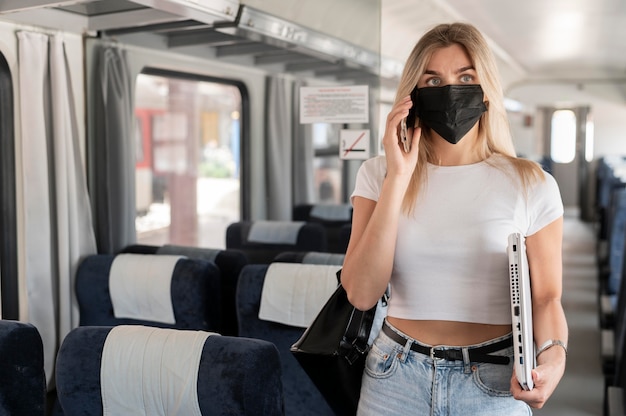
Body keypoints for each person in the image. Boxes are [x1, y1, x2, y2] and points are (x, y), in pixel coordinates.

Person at [341, 22, 567, 415]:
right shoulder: (377, 174)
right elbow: (361, 293)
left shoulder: (531, 183)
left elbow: (546, 297)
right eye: (433, 80)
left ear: (485, 90)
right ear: (413, 95)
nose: (449, 90)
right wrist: (399, 177)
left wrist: (554, 359)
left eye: (465, 77)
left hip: (494, 380)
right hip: (394, 376)